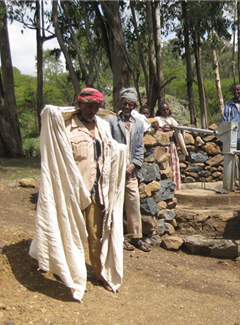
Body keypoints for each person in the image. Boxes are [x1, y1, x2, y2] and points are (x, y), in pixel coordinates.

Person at [30, 88, 127, 301]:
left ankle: (99, 272)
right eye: (88, 105)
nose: (92, 110)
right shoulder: (64, 127)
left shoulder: (102, 126)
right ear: (79, 104)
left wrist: (121, 152)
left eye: (95, 106)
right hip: (72, 192)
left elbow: (109, 152)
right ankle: (68, 269)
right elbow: (55, 154)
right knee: (69, 230)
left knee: (95, 235)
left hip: (96, 191)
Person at [107, 88, 152, 252]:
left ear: (134, 106)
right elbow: (108, 144)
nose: (127, 107)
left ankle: (136, 237)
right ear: (120, 104)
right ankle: (117, 238)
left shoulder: (138, 123)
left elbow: (139, 147)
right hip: (115, 170)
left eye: (130, 104)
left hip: (130, 172)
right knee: (115, 205)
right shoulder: (111, 121)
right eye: (124, 103)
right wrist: (118, 166)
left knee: (133, 203)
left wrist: (134, 164)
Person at [155, 102, 188, 190]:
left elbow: (179, 130)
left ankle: (175, 186)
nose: (165, 111)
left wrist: (176, 128)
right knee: (164, 166)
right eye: (163, 109)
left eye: (167, 109)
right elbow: (155, 130)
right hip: (163, 147)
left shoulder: (172, 120)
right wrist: (163, 129)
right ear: (160, 110)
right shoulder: (157, 119)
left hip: (172, 145)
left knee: (173, 165)